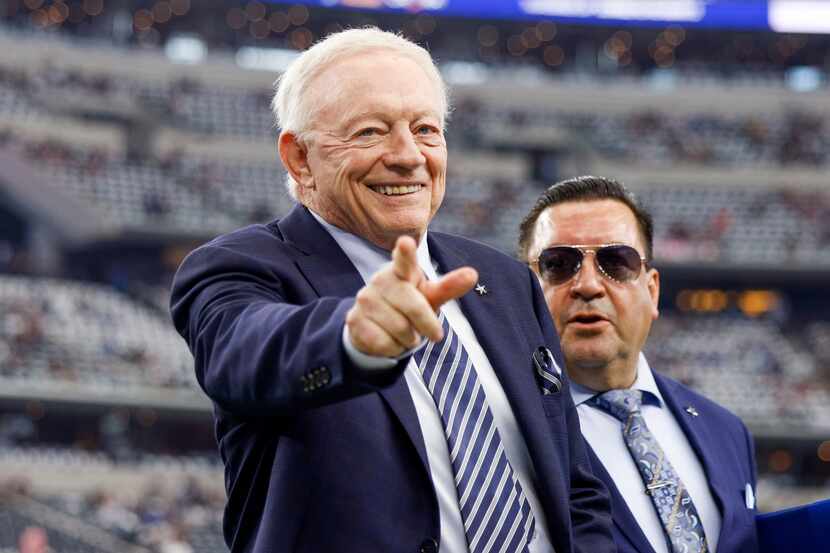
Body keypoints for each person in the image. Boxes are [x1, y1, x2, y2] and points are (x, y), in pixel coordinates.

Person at [170, 29, 614, 553]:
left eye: (425, 129)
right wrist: (353, 338)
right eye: (370, 132)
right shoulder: (239, 266)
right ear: (299, 158)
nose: (407, 156)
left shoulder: (507, 280)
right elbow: (247, 350)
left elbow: (575, 488)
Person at [518, 176, 759, 553]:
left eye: (616, 261)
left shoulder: (726, 431)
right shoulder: (499, 429)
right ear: (524, 292)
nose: (588, 285)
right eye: (559, 264)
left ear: (652, 290)